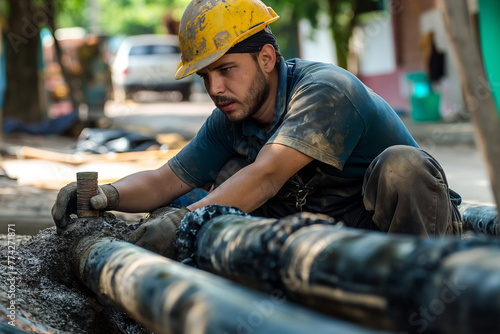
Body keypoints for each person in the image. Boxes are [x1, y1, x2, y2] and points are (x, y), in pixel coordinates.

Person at [52, 0, 463, 259]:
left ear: (266, 57)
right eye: (205, 76)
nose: (215, 89)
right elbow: (165, 179)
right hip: (326, 238)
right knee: (207, 189)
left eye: (226, 70)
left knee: (401, 166)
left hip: (398, 233)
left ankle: (423, 295)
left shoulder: (324, 91)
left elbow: (266, 176)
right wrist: (105, 196)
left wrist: (181, 224)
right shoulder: (232, 117)